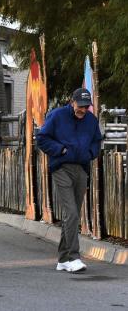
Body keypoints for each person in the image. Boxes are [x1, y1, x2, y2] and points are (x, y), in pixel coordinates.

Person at [37, 88, 102, 273]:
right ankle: (74, 257)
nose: (83, 109)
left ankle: (63, 259)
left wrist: (90, 153)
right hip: (61, 168)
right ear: (72, 102)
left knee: (72, 216)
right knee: (72, 213)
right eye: (80, 106)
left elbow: (97, 141)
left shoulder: (91, 120)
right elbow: (41, 138)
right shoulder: (57, 116)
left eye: (86, 106)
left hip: (81, 168)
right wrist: (61, 150)